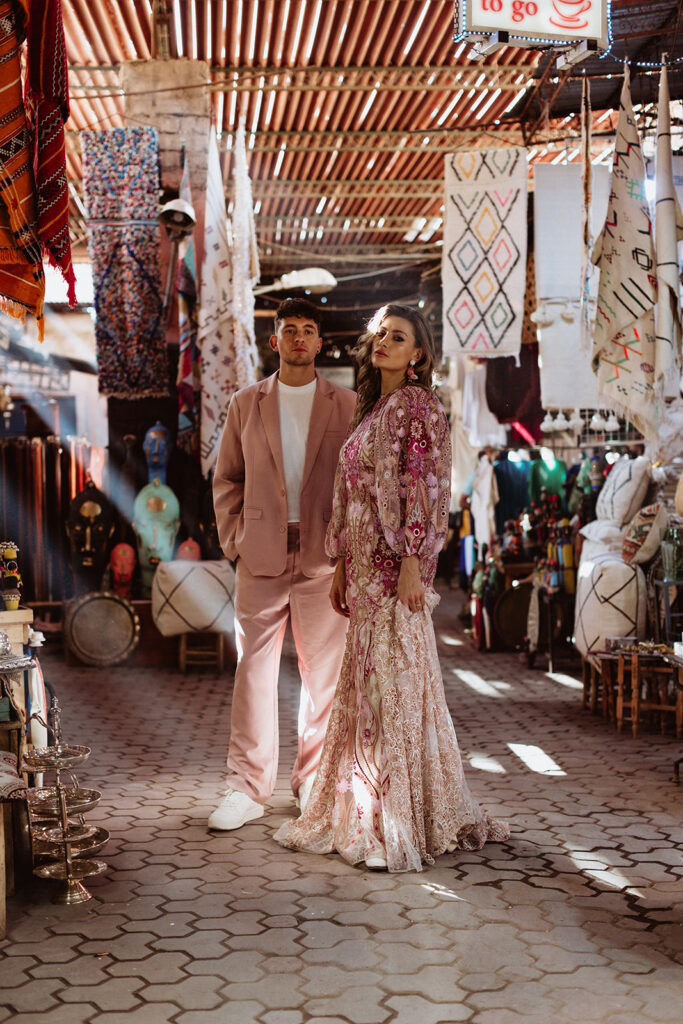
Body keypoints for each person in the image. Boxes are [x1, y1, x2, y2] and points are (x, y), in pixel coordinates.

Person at [274, 303, 509, 871]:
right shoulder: (372, 409)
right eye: (379, 334)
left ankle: (395, 819)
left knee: (396, 692)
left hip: (394, 570)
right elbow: (349, 494)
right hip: (363, 570)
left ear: (418, 354)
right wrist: (341, 566)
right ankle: (364, 808)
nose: (383, 342)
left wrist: (411, 561)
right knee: (372, 689)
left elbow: (426, 489)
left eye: (398, 337)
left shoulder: (419, 406)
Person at [210, 297, 356, 830]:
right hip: (261, 552)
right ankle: (246, 788)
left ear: (320, 342)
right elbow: (227, 478)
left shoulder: (347, 404)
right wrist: (235, 542)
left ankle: (313, 778)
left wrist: (350, 551)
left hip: (325, 553)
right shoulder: (246, 403)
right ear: (275, 341)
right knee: (254, 671)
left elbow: (358, 484)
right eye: (289, 330)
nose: (298, 338)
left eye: (308, 330)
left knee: (325, 677)